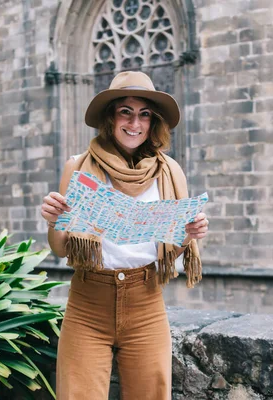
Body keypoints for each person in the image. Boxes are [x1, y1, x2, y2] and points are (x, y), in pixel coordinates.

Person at [40, 71, 209, 400]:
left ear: (153, 122)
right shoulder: (78, 168)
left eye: (144, 114)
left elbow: (169, 253)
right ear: (110, 117)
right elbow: (61, 249)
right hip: (88, 304)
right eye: (126, 112)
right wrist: (54, 220)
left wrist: (188, 235)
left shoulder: (169, 172)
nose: (136, 123)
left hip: (146, 304)